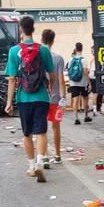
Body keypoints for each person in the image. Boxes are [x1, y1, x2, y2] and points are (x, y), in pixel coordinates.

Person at [4, 15, 55, 181]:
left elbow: (12, 78)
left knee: (27, 134)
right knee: (41, 131)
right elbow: (51, 74)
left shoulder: (13, 51)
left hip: (23, 97)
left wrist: (9, 102)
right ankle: (41, 161)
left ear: (21, 29)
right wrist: (49, 87)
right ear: (33, 29)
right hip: (41, 97)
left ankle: (32, 166)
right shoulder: (43, 50)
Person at [42, 29, 66, 166]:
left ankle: (44, 155)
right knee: (56, 127)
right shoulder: (58, 58)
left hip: (41, 97)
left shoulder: (38, 56)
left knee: (42, 127)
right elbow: (61, 79)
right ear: (53, 41)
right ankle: (57, 155)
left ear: (42, 39)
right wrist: (63, 97)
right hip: (56, 98)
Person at [67, 42, 89, 125]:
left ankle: (76, 118)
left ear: (75, 49)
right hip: (83, 83)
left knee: (75, 100)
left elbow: (68, 72)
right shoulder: (84, 60)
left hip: (73, 83)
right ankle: (86, 116)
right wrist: (88, 82)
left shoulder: (71, 60)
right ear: (82, 49)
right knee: (85, 99)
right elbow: (86, 72)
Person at [89, 48, 104, 115]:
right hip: (98, 78)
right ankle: (101, 109)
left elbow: (91, 73)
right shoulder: (99, 60)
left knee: (95, 94)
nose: (92, 53)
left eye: (92, 51)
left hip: (93, 78)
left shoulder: (93, 61)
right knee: (103, 93)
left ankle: (96, 109)